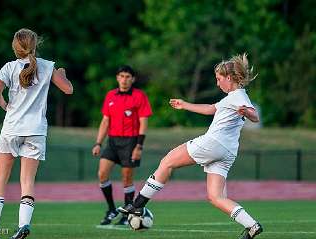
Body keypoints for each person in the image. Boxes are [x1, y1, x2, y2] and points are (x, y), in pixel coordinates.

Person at [118, 54, 263, 239]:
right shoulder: (232, 98)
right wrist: (185, 105)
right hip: (227, 152)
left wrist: (247, 112)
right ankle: (252, 226)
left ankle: (137, 204)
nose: (218, 84)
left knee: (167, 161)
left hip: (213, 143)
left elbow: (254, 115)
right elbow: (211, 108)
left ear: (229, 78)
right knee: (216, 197)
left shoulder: (237, 95)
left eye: (219, 79)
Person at [0, 28, 73, 239]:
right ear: (35, 45)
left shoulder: (9, 67)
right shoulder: (48, 66)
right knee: (27, 181)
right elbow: (68, 90)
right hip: (35, 131)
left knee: (0, 179)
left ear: (15, 47)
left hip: (11, 128)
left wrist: (7, 107)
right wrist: (63, 74)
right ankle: (23, 226)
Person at [92, 65, 153, 225]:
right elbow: (105, 121)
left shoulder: (139, 96)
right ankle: (111, 209)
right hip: (112, 141)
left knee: (126, 178)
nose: (124, 79)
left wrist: (139, 146)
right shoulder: (110, 95)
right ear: (117, 78)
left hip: (131, 142)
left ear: (133, 79)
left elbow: (143, 122)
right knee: (102, 174)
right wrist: (98, 143)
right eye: (121, 76)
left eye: (127, 76)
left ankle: (127, 214)